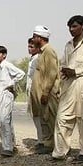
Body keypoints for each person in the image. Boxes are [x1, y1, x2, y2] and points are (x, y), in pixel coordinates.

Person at [52, 15, 83, 162]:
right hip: (69, 86)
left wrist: (76, 72)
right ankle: (60, 152)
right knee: (62, 118)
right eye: (70, 27)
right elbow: (64, 64)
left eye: (74, 26)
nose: (71, 30)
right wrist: (64, 73)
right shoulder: (68, 45)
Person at [29, 25, 60, 155]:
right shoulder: (42, 52)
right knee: (44, 119)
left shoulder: (49, 51)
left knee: (50, 119)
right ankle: (47, 144)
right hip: (40, 93)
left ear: (39, 38)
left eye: (35, 36)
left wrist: (46, 92)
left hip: (47, 93)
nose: (33, 39)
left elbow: (52, 73)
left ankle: (55, 145)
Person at [0, 46, 25, 157]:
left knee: (4, 120)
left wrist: (11, 83)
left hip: (7, 95)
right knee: (6, 121)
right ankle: (11, 145)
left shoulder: (7, 65)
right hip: (0, 95)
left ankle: (8, 148)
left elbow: (21, 74)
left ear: (4, 55)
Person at [25, 38, 44, 147]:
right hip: (31, 90)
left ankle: (42, 140)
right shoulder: (32, 59)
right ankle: (40, 138)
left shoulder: (38, 58)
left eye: (32, 47)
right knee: (34, 115)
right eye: (29, 46)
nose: (29, 49)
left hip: (37, 90)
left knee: (39, 116)